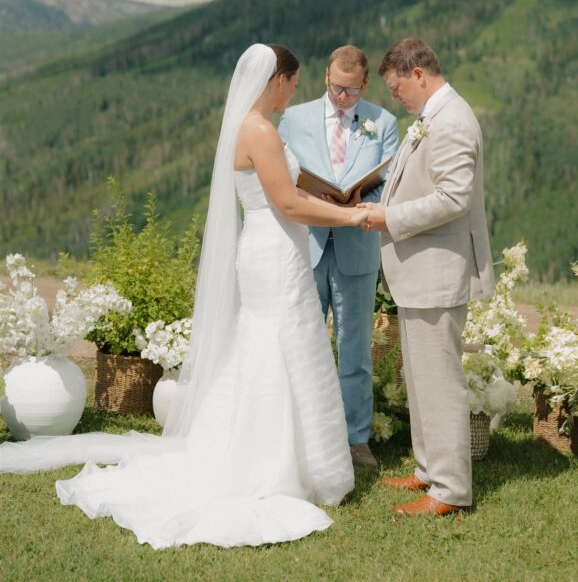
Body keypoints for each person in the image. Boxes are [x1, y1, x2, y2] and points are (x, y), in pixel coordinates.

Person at [0, 43, 369, 549]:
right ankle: (274, 463)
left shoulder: (254, 126)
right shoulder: (259, 129)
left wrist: (329, 201)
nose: (296, 90)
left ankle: (295, 457)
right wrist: (354, 215)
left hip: (271, 247)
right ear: (278, 79)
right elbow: (285, 201)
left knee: (274, 344)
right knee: (275, 345)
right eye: (295, 80)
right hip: (272, 249)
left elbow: (290, 192)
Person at [359, 37, 494, 518]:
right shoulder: (430, 118)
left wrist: (387, 218)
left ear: (419, 74)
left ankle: (451, 490)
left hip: (438, 267)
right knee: (419, 379)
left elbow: (453, 197)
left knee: (439, 381)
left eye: (398, 90)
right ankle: (428, 468)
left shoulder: (452, 119)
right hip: (419, 270)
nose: (396, 99)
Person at [279, 45, 398, 469]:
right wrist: (311, 193)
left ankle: (355, 438)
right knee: (303, 343)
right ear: (325, 79)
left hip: (358, 244)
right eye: (334, 88)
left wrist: (361, 202)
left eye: (350, 91)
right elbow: (280, 177)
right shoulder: (293, 119)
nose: (341, 98)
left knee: (355, 349)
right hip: (306, 243)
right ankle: (305, 433)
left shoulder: (384, 122)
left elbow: (390, 185)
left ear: (364, 84)